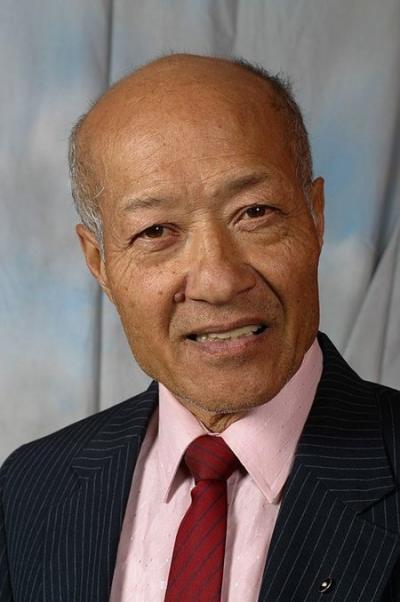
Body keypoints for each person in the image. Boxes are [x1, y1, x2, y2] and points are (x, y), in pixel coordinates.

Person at [1, 54, 399, 602]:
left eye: (255, 212)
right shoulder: (28, 490)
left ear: (315, 216)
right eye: (156, 231)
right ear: (99, 263)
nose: (218, 281)